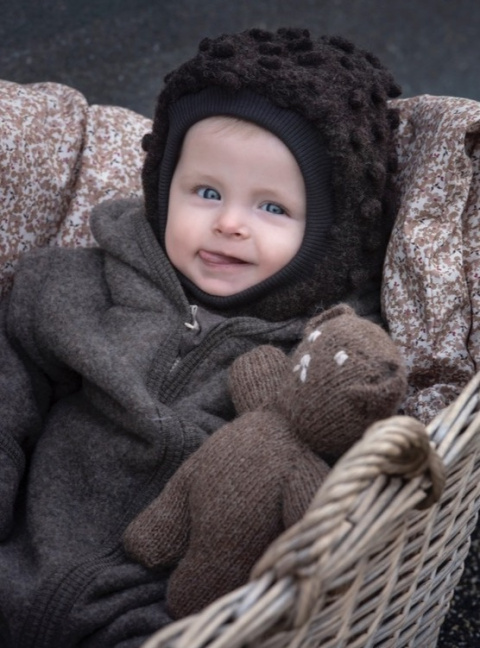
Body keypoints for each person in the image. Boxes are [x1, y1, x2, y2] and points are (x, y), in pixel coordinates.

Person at [0, 27, 401, 648]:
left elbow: (335, 477)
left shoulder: (317, 354)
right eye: (206, 192)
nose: (229, 223)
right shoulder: (79, 284)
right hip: (19, 554)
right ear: (163, 188)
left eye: (272, 207)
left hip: (170, 608)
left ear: (330, 234)